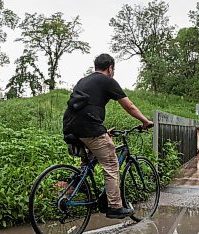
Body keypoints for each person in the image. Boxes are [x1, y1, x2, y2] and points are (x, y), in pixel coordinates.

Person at [63, 53, 153, 219]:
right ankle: (115, 206)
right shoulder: (107, 80)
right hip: (89, 127)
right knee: (111, 163)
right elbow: (129, 106)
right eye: (113, 69)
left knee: (89, 160)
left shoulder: (83, 81)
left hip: (70, 128)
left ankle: (75, 187)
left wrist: (104, 132)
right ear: (110, 68)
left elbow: (84, 108)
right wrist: (145, 121)